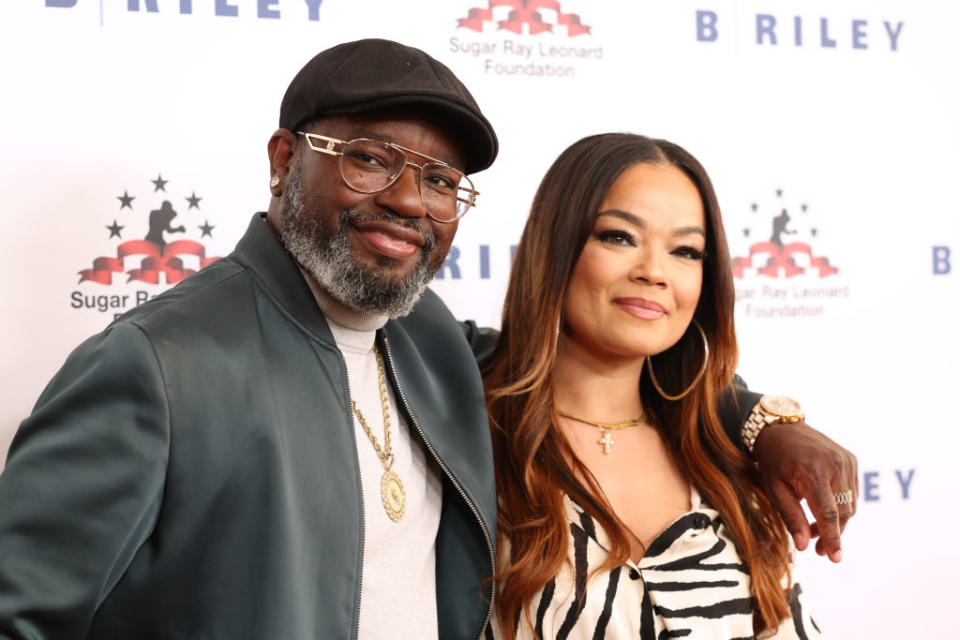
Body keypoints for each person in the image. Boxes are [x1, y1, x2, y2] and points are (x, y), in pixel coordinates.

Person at [0, 41, 853, 639]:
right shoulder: (158, 362)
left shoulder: (427, 338)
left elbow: (598, 358)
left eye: (442, 180)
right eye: (369, 158)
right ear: (283, 158)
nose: (410, 200)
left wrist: (763, 422)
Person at [484, 133, 829, 639]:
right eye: (619, 237)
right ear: (556, 247)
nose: (654, 272)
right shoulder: (467, 445)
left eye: (685, 251)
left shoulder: (729, 464)